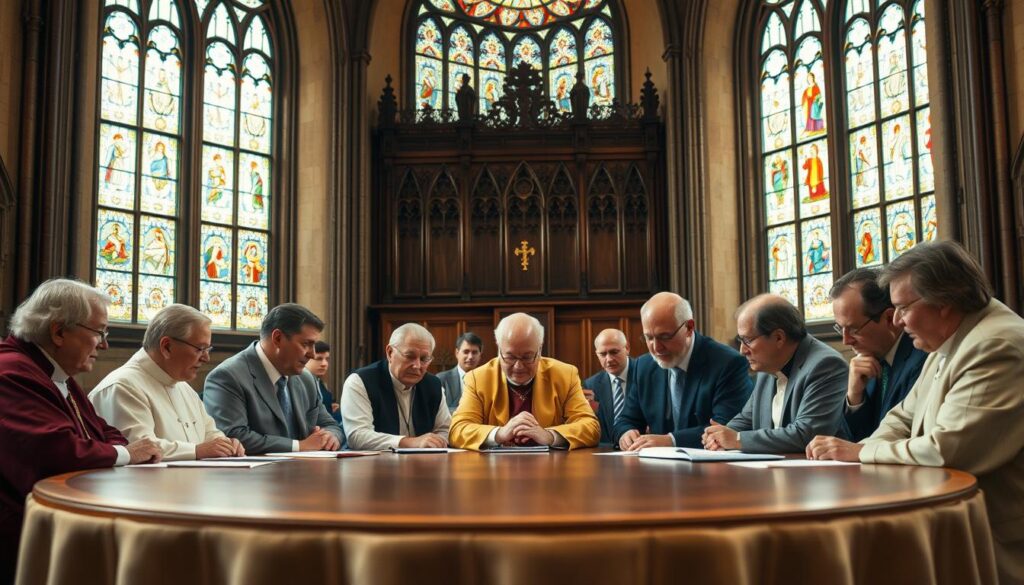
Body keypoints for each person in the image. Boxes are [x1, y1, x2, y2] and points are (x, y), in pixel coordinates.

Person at [806, 241, 1024, 583]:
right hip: (959, 527)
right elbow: (901, 417)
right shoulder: (948, 339)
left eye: (902, 307)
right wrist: (862, 454)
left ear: (945, 302)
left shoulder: (993, 345)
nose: (895, 320)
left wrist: (862, 452)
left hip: (997, 542)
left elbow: (950, 448)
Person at [0, 279, 161, 583]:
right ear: (58, 331)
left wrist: (124, 449)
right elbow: (52, 451)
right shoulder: (12, 373)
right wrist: (129, 453)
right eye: (99, 332)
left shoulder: (55, 373)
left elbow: (103, 430)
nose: (104, 344)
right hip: (19, 536)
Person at [89, 304, 244, 460]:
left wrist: (227, 444)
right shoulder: (122, 387)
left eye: (207, 350)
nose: (206, 358)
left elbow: (210, 433)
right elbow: (139, 449)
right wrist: (197, 450)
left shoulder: (184, 387)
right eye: (200, 349)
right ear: (167, 347)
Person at [702, 294, 847, 453]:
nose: (742, 350)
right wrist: (717, 436)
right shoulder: (769, 365)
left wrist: (737, 440)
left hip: (819, 474)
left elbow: (807, 434)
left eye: (747, 340)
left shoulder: (826, 365)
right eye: (740, 340)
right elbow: (745, 420)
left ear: (778, 338)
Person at [614, 293, 752, 450]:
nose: (656, 348)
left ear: (689, 327)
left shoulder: (727, 363)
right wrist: (625, 433)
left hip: (713, 468)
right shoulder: (644, 366)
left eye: (664, 337)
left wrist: (671, 440)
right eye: (648, 338)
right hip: (656, 469)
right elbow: (626, 420)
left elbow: (727, 426)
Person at [204, 303, 343, 454]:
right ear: (277, 338)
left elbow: (331, 425)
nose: (312, 354)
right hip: (252, 476)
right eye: (306, 344)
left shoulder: (305, 378)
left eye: (314, 345)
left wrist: (331, 436)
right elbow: (233, 437)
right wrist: (299, 446)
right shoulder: (227, 377)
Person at [449, 313, 599, 450]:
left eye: (527, 357)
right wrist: (499, 434)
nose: (518, 366)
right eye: (510, 357)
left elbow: (590, 427)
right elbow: (457, 430)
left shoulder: (564, 375)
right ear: (499, 350)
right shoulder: (478, 378)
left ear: (539, 350)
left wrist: (550, 436)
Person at [829, 269, 926, 442]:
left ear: (889, 318)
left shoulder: (920, 359)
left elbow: (899, 438)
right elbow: (852, 440)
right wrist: (854, 397)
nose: (846, 340)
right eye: (840, 328)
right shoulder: (869, 359)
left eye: (853, 329)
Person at [340, 323, 451, 450]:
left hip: (423, 464)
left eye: (424, 359)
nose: (417, 365)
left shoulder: (434, 385)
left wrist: (437, 442)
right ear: (390, 352)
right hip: (372, 466)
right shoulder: (360, 381)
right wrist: (411, 443)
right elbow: (357, 436)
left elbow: (445, 429)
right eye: (410, 356)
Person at [582, 329, 637, 446]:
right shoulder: (591, 385)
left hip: (641, 447)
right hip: (606, 453)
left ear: (627, 348)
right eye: (603, 354)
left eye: (614, 352)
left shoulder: (644, 373)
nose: (609, 359)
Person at [436, 332, 483, 413]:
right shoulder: (441, 379)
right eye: (466, 352)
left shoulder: (486, 380)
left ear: (480, 355)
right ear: (457, 353)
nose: (470, 357)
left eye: (474, 352)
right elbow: (439, 412)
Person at [305, 340, 342, 426]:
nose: (324, 364)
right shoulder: (300, 384)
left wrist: (329, 407)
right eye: (319, 359)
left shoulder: (319, 382)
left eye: (327, 359)